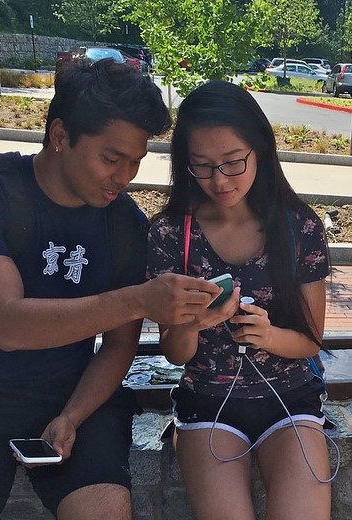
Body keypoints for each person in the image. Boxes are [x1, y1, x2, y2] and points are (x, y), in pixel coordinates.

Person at [0, 60, 223, 520]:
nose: (125, 177)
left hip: (77, 394)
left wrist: (73, 416)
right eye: (111, 158)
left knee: (105, 510)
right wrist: (139, 298)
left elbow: (120, 344)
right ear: (60, 136)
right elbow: (7, 324)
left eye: (135, 162)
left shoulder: (127, 225)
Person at [147, 80, 332, 519]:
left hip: (290, 400)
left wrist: (266, 335)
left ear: (260, 151)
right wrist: (194, 322)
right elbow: (175, 354)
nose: (220, 180)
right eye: (202, 166)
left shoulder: (298, 227)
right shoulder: (172, 234)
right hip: (208, 404)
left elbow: (310, 341)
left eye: (233, 162)